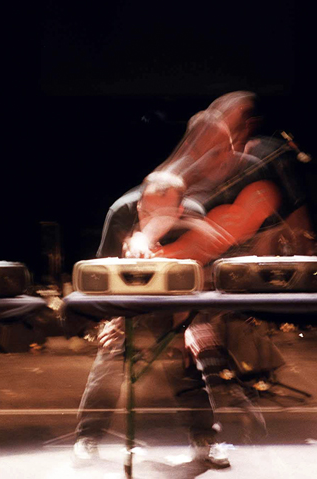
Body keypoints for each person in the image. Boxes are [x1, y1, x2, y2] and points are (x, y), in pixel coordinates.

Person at [74, 171, 263, 469]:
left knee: (184, 365)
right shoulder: (121, 213)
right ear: (138, 205)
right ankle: (87, 437)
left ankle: (204, 438)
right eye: (146, 212)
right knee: (111, 357)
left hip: (177, 303)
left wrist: (183, 329)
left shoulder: (194, 217)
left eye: (161, 214)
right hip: (128, 301)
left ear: (179, 210)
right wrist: (116, 321)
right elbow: (107, 277)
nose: (152, 219)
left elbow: (198, 280)